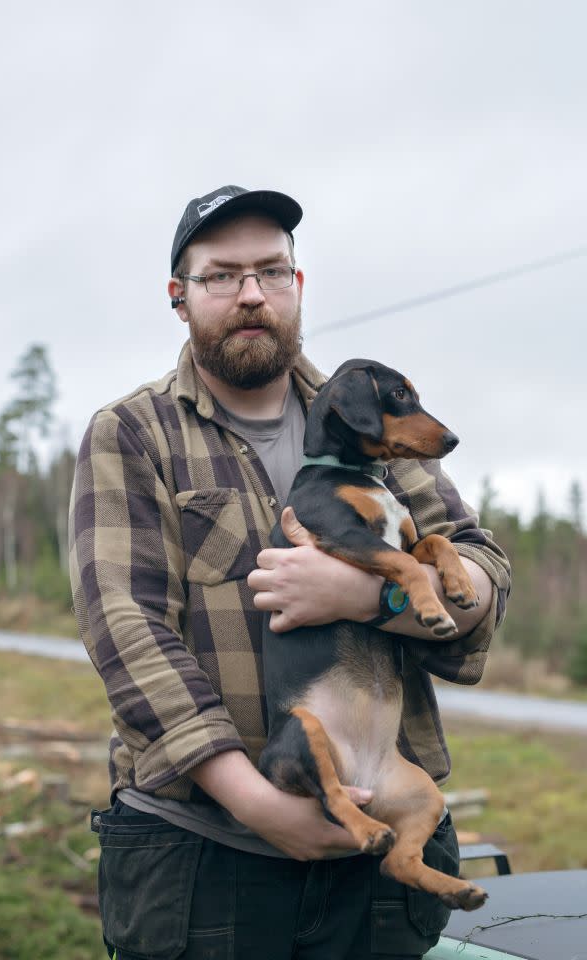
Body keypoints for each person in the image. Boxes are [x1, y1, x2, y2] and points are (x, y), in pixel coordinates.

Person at [69, 185, 510, 960]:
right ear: (179, 297)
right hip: (200, 860)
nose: (250, 294)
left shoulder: (365, 417)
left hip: (380, 872)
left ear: (297, 286)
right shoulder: (132, 434)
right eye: (220, 276)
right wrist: (255, 801)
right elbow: (126, 631)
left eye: (271, 271)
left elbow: (480, 570)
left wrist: (367, 595)